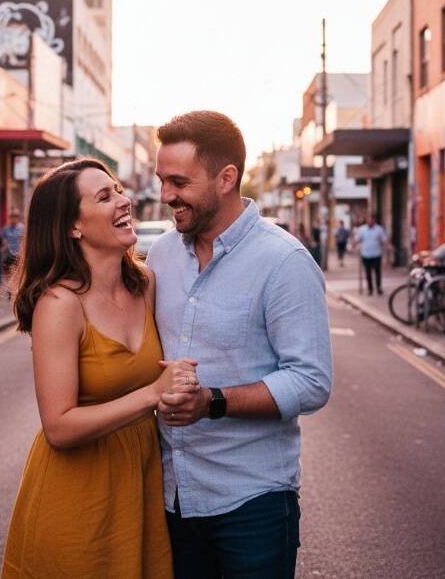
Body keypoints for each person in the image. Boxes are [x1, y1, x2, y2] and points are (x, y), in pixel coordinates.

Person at [147, 111, 332, 579]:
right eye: (161, 180)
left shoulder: (284, 261)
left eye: (179, 182)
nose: (166, 195)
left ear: (226, 178)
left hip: (253, 504)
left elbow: (310, 382)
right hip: (171, 498)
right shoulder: (162, 254)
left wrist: (212, 401)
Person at [1, 158, 197, 579]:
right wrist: (152, 394)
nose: (123, 201)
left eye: (119, 190)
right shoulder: (59, 305)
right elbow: (58, 427)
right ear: (73, 226)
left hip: (140, 487)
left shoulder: (145, 284)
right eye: (104, 197)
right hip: (77, 493)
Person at [353, 214, 388, 295]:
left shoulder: (379, 229)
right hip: (366, 254)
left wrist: (388, 247)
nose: (370, 221)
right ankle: (370, 289)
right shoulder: (362, 229)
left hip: (376, 254)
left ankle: (379, 287)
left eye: (372, 220)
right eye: (369, 220)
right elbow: (357, 239)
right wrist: (353, 245)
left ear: (374, 220)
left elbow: (384, 240)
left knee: (377, 272)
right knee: (368, 272)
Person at [1, 209, 25, 276]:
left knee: (18, 273)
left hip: (19, 255)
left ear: (18, 218)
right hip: (9, 254)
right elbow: (3, 241)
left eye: (15, 217)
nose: (13, 219)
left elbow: (24, 241)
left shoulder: (22, 228)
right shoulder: (6, 229)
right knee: (8, 273)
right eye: (12, 217)